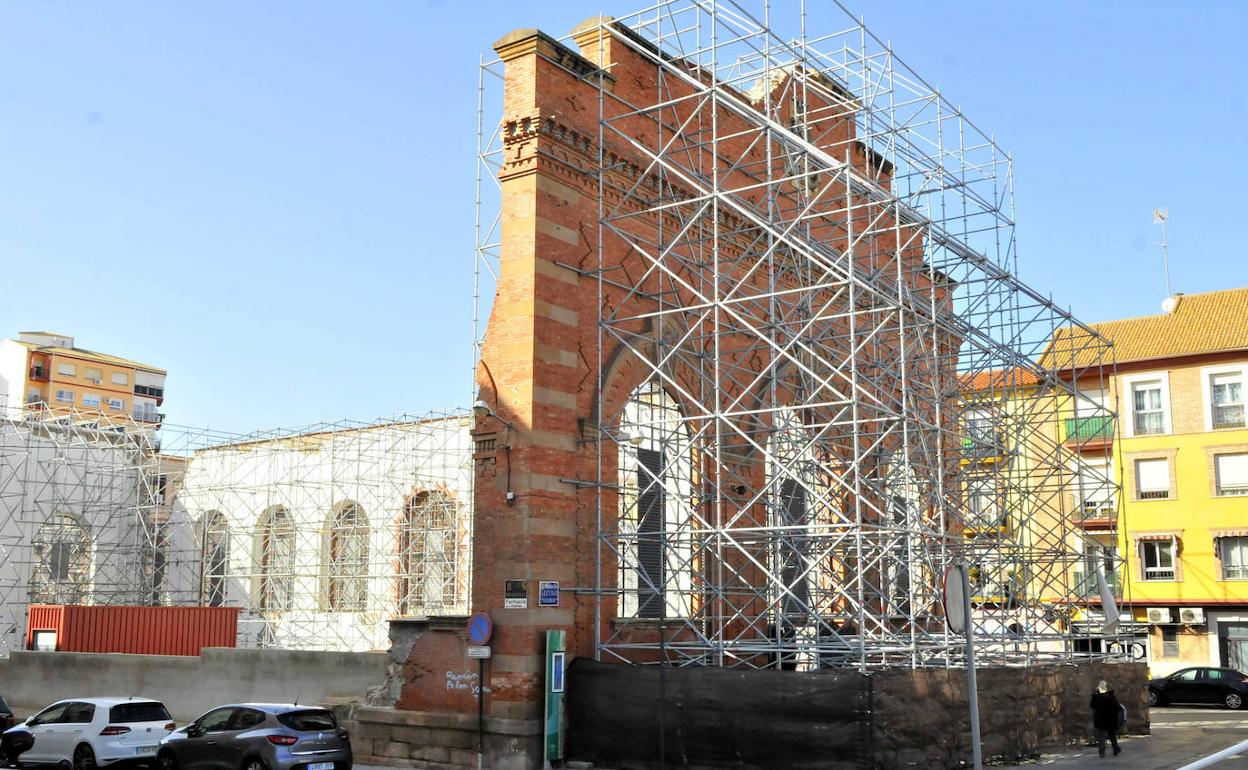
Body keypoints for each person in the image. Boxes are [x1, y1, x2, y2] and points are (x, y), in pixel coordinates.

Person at [1090, 679, 1122, 758]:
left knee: (1101, 737)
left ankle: (1102, 752)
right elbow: (1117, 707)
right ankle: (1115, 749)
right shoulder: (1110, 696)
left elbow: (1092, 706)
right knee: (1112, 735)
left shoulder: (1096, 696)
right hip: (1111, 719)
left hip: (1100, 719)